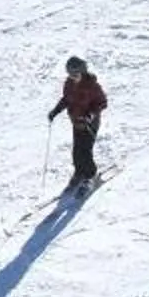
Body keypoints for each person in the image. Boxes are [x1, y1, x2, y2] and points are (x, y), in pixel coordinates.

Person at [49, 57, 107, 195]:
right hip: (76, 122)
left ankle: (91, 176)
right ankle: (79, 172)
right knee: (76, 150)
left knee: (85, 151)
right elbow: (66, 99)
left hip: (89, 123)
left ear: (83, 72)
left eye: (75, 74)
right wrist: (55, 111)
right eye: (70, 74)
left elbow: (102, 102)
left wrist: (90, 115)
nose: (72, 77)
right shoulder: (69, 84)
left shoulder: (92, 86)